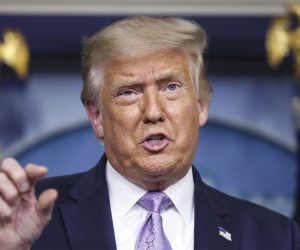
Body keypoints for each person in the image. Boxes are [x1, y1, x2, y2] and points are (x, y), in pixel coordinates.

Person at [0, 16, 299, 250]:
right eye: (129, 92)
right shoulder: (29, 219)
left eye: (171, 87)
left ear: (201, 106)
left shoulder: (275, 237)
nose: (153, 111)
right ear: (97, 117)